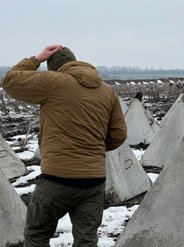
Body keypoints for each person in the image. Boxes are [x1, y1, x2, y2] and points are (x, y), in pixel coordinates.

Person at [1, 45, 127, 246]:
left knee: (37, 235)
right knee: (86, 241)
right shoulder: (107, 91)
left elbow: (9, 81)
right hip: (94, 182)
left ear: (55, 67)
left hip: (56, 180)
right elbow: (119, 134)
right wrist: (91, 150)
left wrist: (37, 58)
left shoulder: (53, 82)